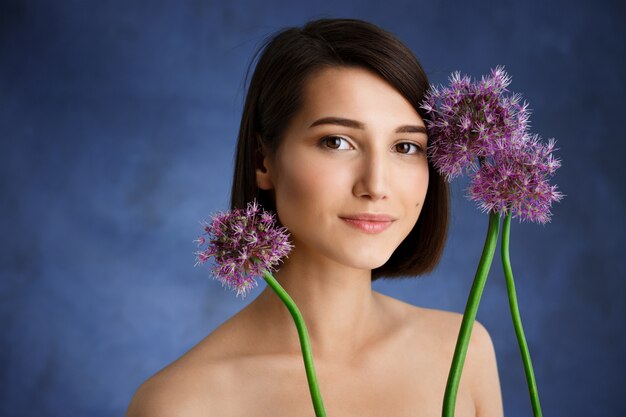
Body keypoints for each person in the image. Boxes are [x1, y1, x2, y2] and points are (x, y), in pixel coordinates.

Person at [126, 17, 504, 417]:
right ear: (263, 161)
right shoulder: (181, 404)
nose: (376, 185)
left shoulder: (462, 353)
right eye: (336, 142)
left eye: (406, 146)